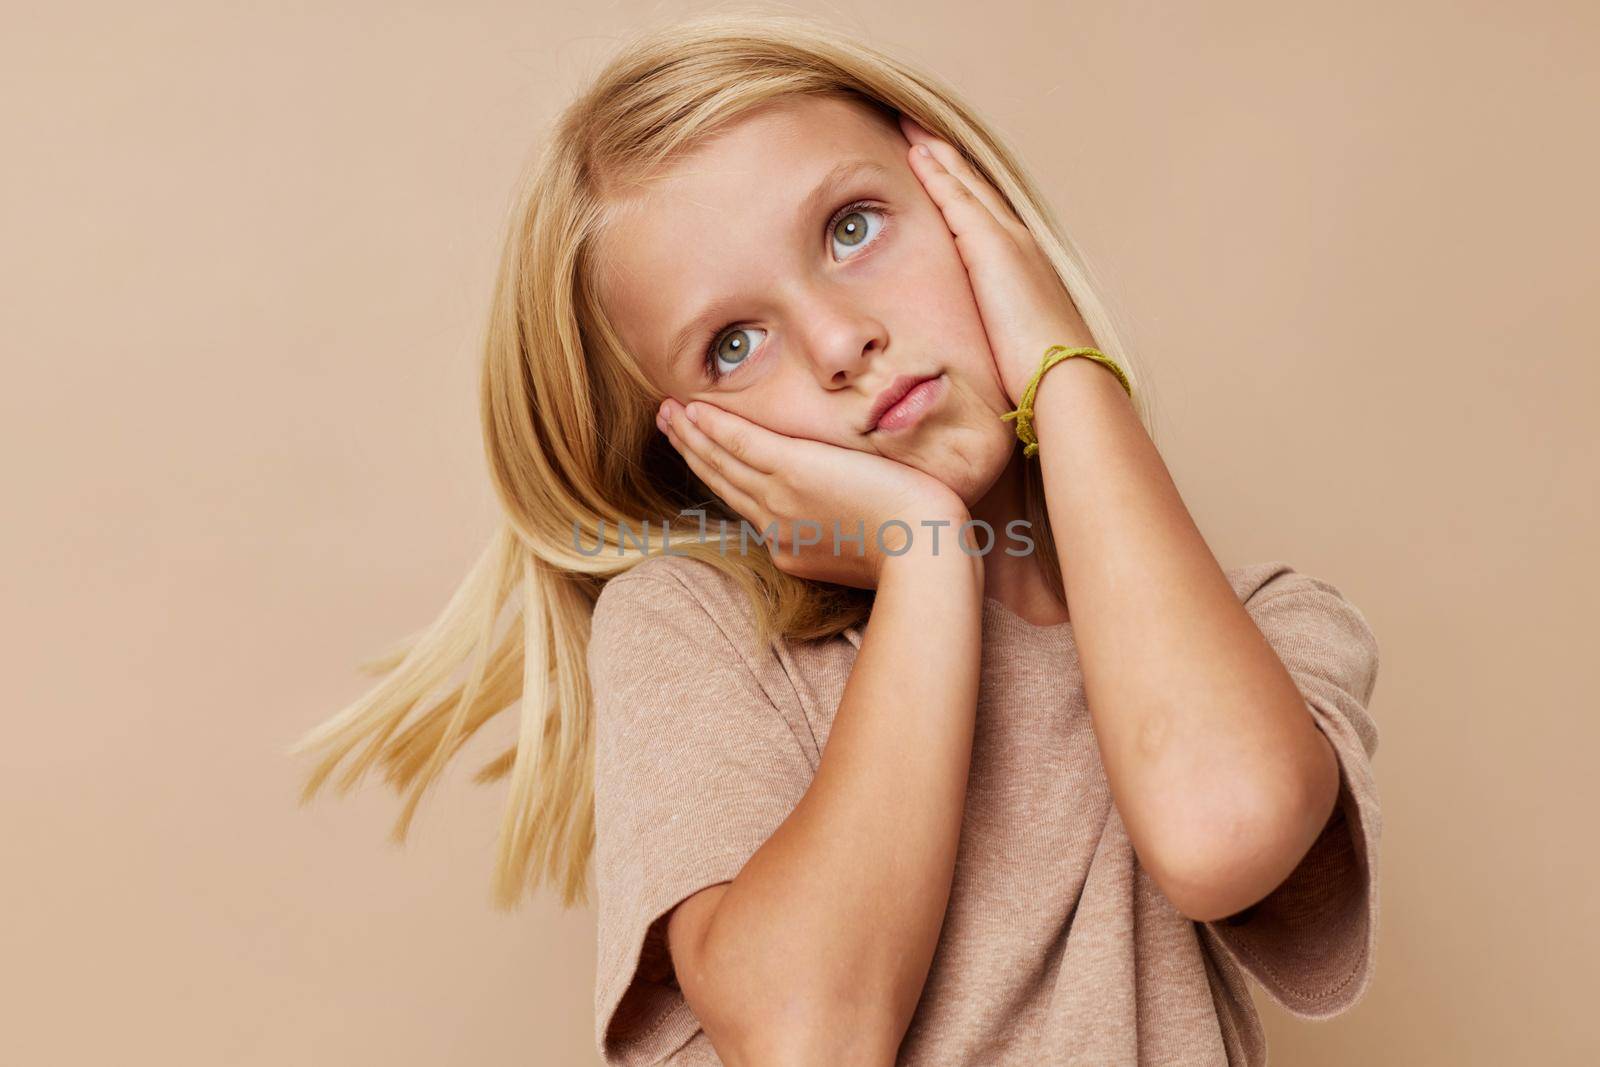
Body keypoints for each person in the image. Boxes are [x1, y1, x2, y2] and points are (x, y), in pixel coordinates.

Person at [292, 12, 1383, 1065]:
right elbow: (811, 1042)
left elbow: (1219, 823)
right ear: (693, 448)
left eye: (851, 228)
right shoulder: (699, 635)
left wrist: (1063, 359)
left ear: (975, 218)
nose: (838, 341)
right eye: (731, 344)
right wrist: (923, 554)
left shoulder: (1261, 627)